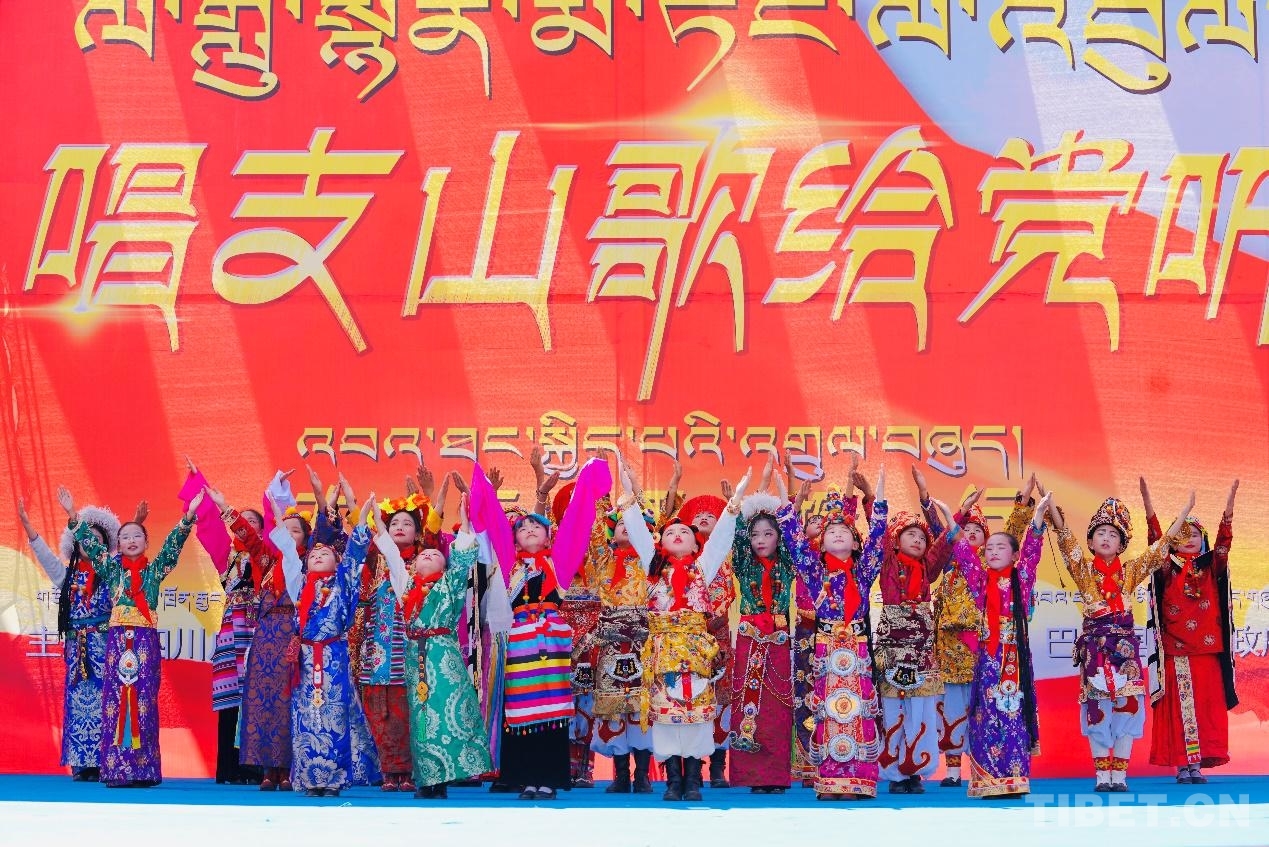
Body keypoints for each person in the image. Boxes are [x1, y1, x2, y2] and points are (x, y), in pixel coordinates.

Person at [1050, 490, 1196, 792]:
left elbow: (1158, 551)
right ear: (1091, 541)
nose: (1106, 538)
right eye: (1100, 533)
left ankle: (1119, 776)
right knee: (1097, 711)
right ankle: (1102, 777)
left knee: (1128, 710)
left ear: (1121, 544)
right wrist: (1050, 504)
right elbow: (1065, 541)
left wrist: (1183, 515)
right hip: (1095, 652)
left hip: (1125, 653)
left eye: (1113, 534)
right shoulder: (1083, 570)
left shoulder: (1129, 572)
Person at [622, 464, 751, 801]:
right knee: (665, 714)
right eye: (671, 532)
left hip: (695, 650)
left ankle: (694, 780)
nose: (678, 534)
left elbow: (720, 540)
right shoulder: (654, 568)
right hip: (663, 649)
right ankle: (673, 781)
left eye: (684, 532)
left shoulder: (702, 568)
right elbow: (637, 532)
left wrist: (734, 504)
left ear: (696, 545)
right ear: (660, 543)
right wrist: (629, 493)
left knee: (697, 714)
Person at [60, 485, 199, 787]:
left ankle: (144, 770)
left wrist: (187, 518)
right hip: (117, 640)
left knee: (144, 701)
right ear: (118, 544)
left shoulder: (155, 570)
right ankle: (117, 769)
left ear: (146, 542)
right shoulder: (111, 569)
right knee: (115, 700)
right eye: (126, 537)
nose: (132, 540)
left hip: (146, 641)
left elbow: (173, 546)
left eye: (137, 536)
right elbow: (90, 545)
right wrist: (72, 514)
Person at [498, 457, 610, 800]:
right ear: (514, 540)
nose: (530, 530)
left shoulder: (556, 564)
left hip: (550, 641)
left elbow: (576, 523)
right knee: (522, 711)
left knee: (551, 710)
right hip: (519, 643)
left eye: (537, 526)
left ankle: (548, 779)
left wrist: (587, 485)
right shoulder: (509, 567)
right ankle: (527, 778)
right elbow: (492, 531)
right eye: (523, 528)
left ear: (549, 535)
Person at [377, 492, 492, 799]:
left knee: (446, 712)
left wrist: (465, 522)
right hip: (415, 656)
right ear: (414, 565)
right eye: (423, 554)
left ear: (445, 562)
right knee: (421, 717)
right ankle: (427, 780)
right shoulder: (405, 585)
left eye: (435, 554)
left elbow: (463, 557)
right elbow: (391, 556)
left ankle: (447, 776)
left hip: (443, 655)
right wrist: (377, 521)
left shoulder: (451, 582)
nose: (428, 555)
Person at [935, 495, 1048, 798]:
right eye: (990, 548)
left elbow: (1033, 551)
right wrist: (949, 516)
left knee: (1013, 716)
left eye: (1001, 547)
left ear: (1014, 554)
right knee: (986, 716)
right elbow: (963, 553)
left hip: (1014, 658)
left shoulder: (1022, 578)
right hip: (988, 658)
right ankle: (986, 780)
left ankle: (1014, 778)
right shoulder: (980, 581)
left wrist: (1038, 517)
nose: (994, 551)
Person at [785, 470, 887, 799]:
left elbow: (879, 540)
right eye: (831, 531)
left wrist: (878, 499)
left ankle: (858, 779)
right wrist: (789, 505)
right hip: (826, 649)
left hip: (856, 648)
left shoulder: (864, 570)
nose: (838, 533)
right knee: (828, 711)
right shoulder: (815, 571)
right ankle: (829, 779)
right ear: (822, 542)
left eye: (845, 531)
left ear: (855, 542)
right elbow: (794, 543)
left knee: (857, 711)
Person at [270, 493, 380, 797]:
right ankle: (309, 778)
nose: (317, 554)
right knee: (305, 716)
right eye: (313, 553)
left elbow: (355, 558)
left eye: (325, 552)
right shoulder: (300, 586)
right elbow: (288, 554)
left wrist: (361, 520)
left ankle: (334, 780)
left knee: (334, 716)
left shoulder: (343, 583)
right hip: (305, 659)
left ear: (337, 561)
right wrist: (278, 515)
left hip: (333, 655)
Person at [1142, 479, 1239, 784]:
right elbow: (1156, 542)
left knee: (1205, 710)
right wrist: (1148, 508)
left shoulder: (1211, 566)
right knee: (1179, 711)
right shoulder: (1167, 567)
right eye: (1181, 533)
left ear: (1203, 539)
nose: (1188, 538)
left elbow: (1224, 546)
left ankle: (1196, 766)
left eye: (1194, 534)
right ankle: (1182, 766)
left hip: (1208, 651)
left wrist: (1228, 513)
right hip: (1176, 650)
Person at [19, 496, 120, 782]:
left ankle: (103, 762)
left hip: (104, 648)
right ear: (75, 545)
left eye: (96, 540)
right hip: (77, 650)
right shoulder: (68, 576)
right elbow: (47, 558)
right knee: (77, 704)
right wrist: (28, 526)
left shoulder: (112, 575)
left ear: (105, 545)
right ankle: (81, 764)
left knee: (105, 703)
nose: (90, 544)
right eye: (85, 540)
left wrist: (136, 524)